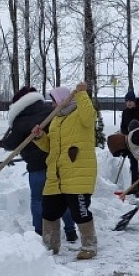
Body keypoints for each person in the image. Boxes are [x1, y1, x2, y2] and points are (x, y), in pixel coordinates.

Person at [0, 86, 78, 243]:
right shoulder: (51, 111)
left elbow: (12, 143)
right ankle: (70, 231)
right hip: (55, 163)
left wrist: (3, 142)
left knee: (37, 199)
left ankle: (39, 232)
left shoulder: (20, 120)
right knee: (61, 198)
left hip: (36, 166)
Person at [32, 81, 98, 260]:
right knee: (49, 211)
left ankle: (89, 245)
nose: (52, 105)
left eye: (54, 101)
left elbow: (89, 117)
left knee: (80, 211)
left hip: (77, 172)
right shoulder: (56, 120)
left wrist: (82, 94)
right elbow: (50, 147)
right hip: (56, 175)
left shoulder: (80, 113)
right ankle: (50, 246)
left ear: (64, 100)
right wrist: (40, 137)